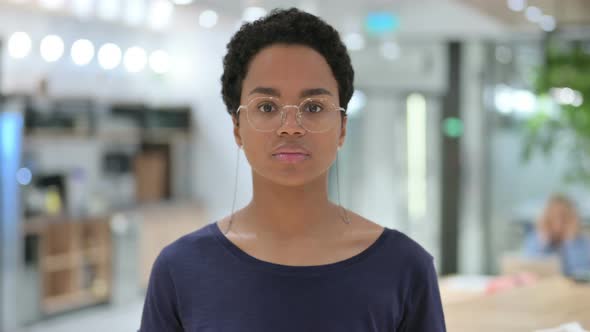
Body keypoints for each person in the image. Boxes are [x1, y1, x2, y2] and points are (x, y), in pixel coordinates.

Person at [139, 8, 446, 331]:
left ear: (342, 127)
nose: (290, 127)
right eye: (267, 107)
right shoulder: (180, 269)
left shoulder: (404, 269)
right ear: (237, 127)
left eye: (313, 107)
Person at [523, 194, 590, 277]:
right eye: (554, 216)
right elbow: (529, 269)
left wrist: (571, 242)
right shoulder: (535, 238)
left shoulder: (583, 241)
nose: (559, 223)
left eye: (564, 216)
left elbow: (581, 273)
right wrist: (543, 243)